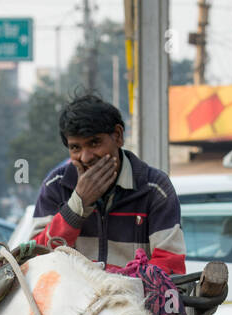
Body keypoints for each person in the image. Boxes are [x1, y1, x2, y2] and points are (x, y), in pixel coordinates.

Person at [32, 92, 185, 274]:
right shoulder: (56, 186)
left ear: (118, 136)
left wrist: (116, 285)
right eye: (75, 148)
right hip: (73, 300)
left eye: (95, 143)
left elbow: (170, 263)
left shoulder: (154, 188)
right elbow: (35, 260)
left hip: (135, 300)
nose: (86, 157)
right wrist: (77, 206)